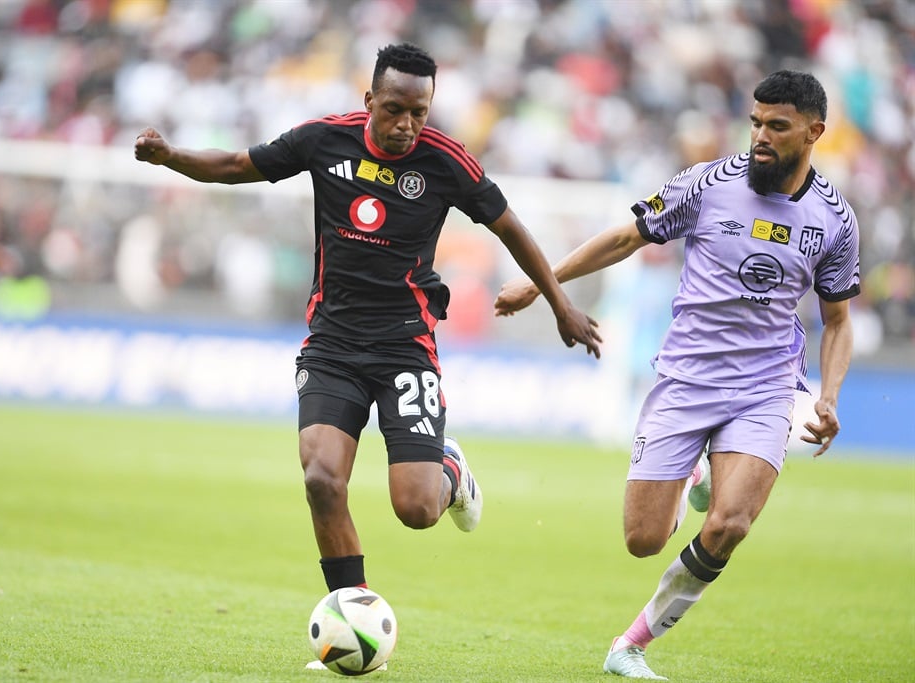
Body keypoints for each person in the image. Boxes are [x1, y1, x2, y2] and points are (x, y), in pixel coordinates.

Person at [135, 41, 602, 665]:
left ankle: (450, 472)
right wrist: (171, 158)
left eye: (419, 111)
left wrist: (559, 304)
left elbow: (509, 226)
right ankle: (350, 622)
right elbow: (234, 165)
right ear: (369, 101)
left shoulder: (446, 162)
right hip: (331, 344)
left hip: (405, 347)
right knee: (322, 479)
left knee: (415, 510)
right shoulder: (324, 141)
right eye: (394, 109)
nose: (406, 123)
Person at [495, 70, 859, 679]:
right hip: (687, 379)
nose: (760, 136)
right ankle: (698, 470)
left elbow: (839, 319)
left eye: (778, 126)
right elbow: (623, 238)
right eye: (755, 122)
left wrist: (829, 396)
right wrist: (542, 285)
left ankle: (630, 646)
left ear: (814, 132)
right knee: (643, 539)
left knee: (731, 523)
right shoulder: (709, 183)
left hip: (768, 387)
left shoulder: (835, 220)